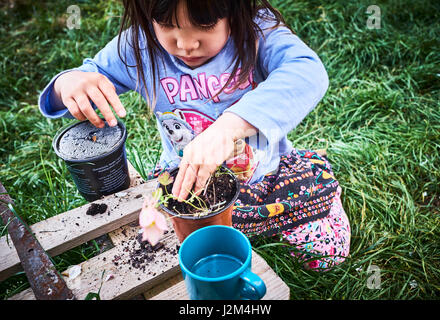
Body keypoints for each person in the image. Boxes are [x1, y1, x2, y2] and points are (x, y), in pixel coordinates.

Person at [38, 0, 350, 270]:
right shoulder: (140, 45)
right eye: (167, 24)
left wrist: (228, 129)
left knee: (326, 252)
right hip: (182, 186)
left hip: (264, 179)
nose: (186, 44)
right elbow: (83, 87)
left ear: (235, 9)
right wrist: (69, 83)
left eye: (205, 24)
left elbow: (307, 72)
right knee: (152, 250)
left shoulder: (257, 32)